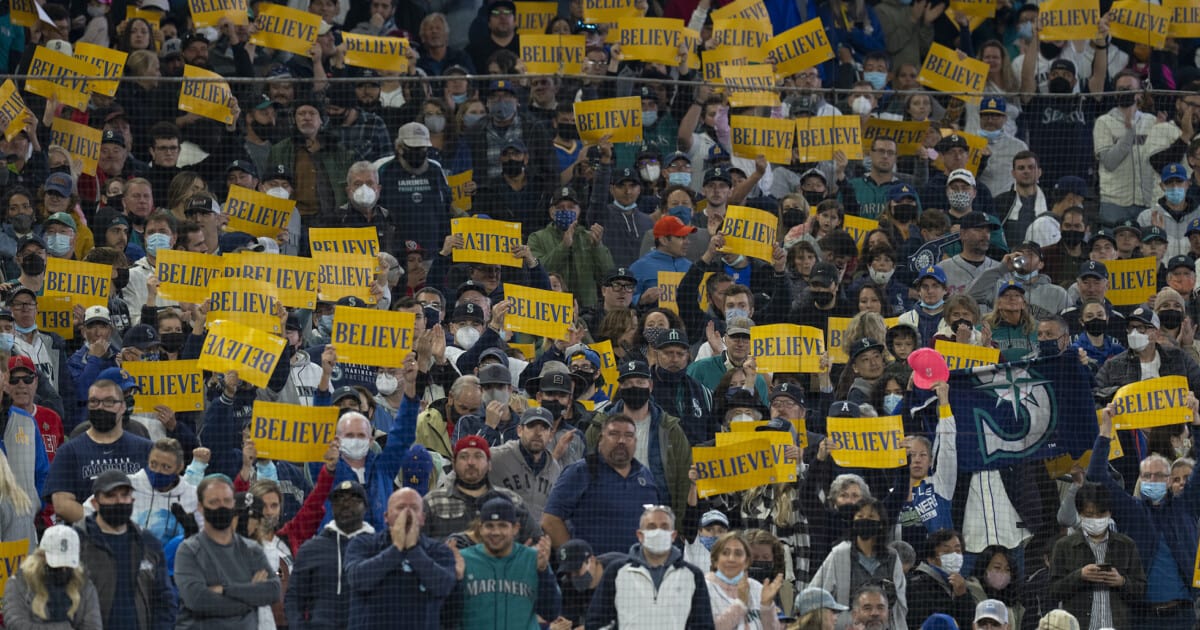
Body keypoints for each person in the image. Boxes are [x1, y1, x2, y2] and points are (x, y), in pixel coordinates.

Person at [1088, 400, 1200, 627]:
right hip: (1142, 617)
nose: (1153, 480)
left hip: (1182, 615)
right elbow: (1096, 474)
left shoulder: (1185, 505)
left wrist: (1197, 423)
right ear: (1140, 479)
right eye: (1147, 476)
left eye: (1159, 475)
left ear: (1169, 480)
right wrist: (1106, 431)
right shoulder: (1132, 510)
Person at [544, 413, 662, 555]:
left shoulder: (645, 476)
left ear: (635, 442)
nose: (621, 441)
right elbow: (550, 520)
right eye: (614, 434)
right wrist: (576, 560)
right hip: (593, 573)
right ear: (600, 439)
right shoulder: (580, 472)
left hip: (635, 571)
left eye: (628, 435)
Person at [174, 474, 281, 629]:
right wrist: (251, 595)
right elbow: (198, 600)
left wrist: (225, 590)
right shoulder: (188, 550)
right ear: (201, 507)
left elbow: (273, 591)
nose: (221, 507)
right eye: (214, 502)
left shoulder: (253, 550)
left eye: (226, 501)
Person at [342, 488, 457, 630]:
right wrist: (396, 549)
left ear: (423, 518)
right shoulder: (363, 543)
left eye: (414, 508)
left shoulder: (438, 550)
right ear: (386, 516)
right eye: (401, 507)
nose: (407, 513)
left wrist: (413, 550)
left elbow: (444, 586)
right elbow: (358, 579)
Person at [76, 469, 177, 630]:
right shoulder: (77, 542)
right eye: (110, 496)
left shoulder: (149, 543)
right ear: (95, 503)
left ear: (133, 499)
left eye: (124, 495)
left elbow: (165, 600)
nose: (119, 501)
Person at [585, 504, 715, 629]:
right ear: (640, 535)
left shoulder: (692, 575)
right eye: (652, 527)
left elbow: (703, 625)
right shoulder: (616, 571)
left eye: (664, 527)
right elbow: (596, 622)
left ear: (673, 535)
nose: (658, 532)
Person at [46, 379, 152, 524]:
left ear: (123, 406)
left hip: (136, 534)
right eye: (94, 402)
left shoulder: (146, 449)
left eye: (109, 402)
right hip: (87, 539)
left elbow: (159, 494)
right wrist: (103, 525)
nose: (100, 407)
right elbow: (62, 504)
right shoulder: (68, 452)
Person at [1048, 482, 1145, 630]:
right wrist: (1079, 576)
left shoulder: (1126, 545)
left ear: (1110, 513)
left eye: (1101, 514)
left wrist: (1122, 582)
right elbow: (1052, 592)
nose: (1096, 519)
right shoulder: (1064, 546)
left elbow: (1141, 590)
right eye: (1089, 514)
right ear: (1080, 514)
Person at [454, 496, 560, 629]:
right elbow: (448, 617)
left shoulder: (533, 559)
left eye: (502, 525)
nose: (496, 532)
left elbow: (551, 613)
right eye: (489, 526)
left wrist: (543, 572)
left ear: (515, 528)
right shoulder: (463, 560)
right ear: (480, 528)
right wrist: (456, 580)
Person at [2, 524, 102, 629]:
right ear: (40, 556)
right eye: (56, 565)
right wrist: (65, 627)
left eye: (67, 565)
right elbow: (16, 624)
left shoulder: (84, 585)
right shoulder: (18, 584)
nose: (63, 569)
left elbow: (93, 626)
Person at [486, 407, 563, 523]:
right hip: (500, 533)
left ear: (551, 435)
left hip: (536, 536)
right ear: (519, 431)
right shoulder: (496, 457)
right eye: (531, 426)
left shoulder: (554, 468)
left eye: (544, 428)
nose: (538, 433)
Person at [704, 531, 784, 630]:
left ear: (746, 561)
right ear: (715, 560)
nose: (731, 559)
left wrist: (766, 607)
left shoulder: (757, 587)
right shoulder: (703, 589)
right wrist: (740, 604)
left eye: (738, 553)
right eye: (725, 553)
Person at [907, 529, 975, 629]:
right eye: (946, 552)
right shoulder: (916, 586)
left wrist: (963, 596)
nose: (954, 556)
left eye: (958, 551)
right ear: (931, 559)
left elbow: (971, 624)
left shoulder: (962, 586)